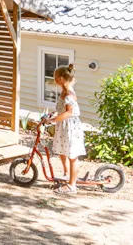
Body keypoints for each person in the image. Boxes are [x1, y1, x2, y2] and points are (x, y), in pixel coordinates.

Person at [46, 64, 86, 194]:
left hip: (70, 127)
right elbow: (61, 109)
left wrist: (53, 120)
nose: (54, 79)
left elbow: (69, 112)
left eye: (55, 77)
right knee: (62, 151)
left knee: (72, 155)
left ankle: (72, 185)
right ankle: (67, 173)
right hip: (63, 126)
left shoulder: (69, 93)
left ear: (61, 79)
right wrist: (53, 114)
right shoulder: (63, 91)